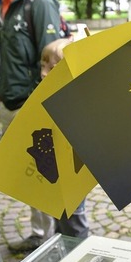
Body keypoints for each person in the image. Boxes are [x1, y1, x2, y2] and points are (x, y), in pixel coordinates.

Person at [0, 0, 63, 253]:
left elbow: (53, 57)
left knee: (46, 176)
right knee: (28, 176)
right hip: (11, 104)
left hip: (33, 106)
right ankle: (38, 234)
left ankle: (56, 240)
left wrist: (42, 106)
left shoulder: (38, 2)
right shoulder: (2, 1)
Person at [40, 38, 89, 239]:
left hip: (72, 176)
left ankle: (81, 260)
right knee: (61, 220)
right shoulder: (49, 95)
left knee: (74, 222)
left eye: (51, 68)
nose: (43, 73)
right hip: (55, 172)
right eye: (42, 66)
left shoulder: (78, 102)